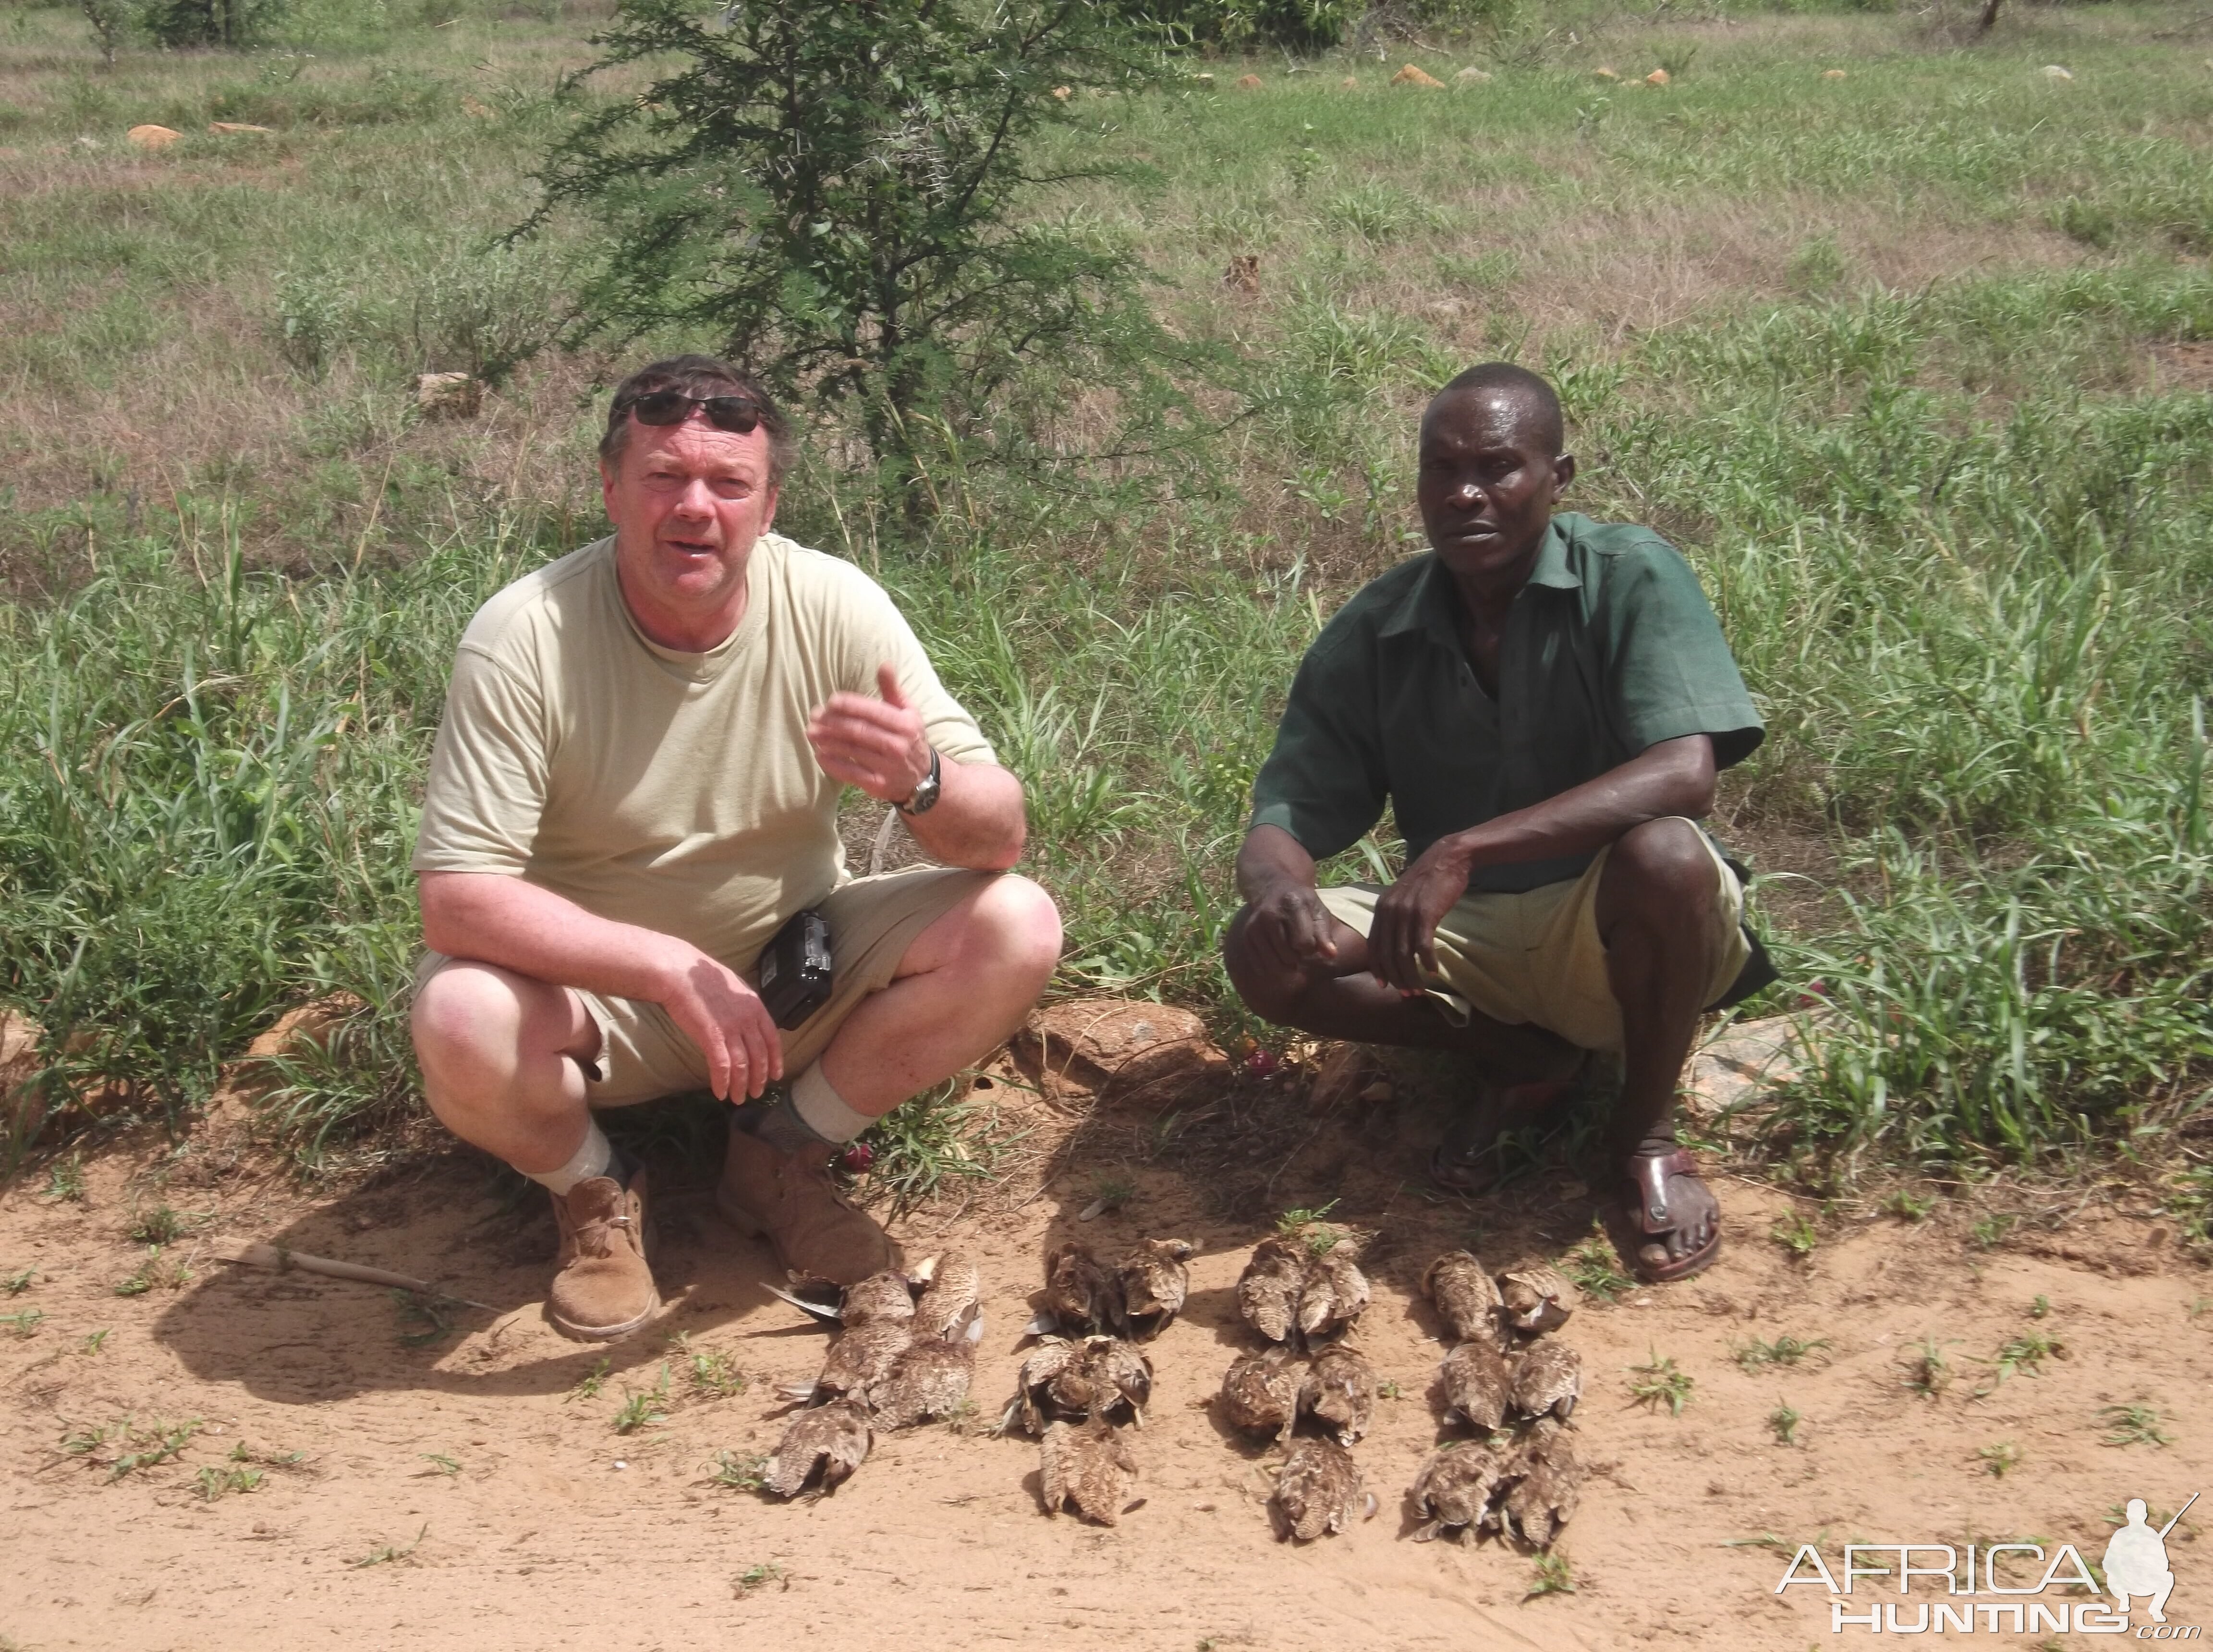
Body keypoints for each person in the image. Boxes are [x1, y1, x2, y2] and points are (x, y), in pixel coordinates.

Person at [408, 355, 1061, 1341]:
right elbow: (457, 899)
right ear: (611, 489)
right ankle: (594, 1189)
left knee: (1017, 923)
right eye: (664, 477)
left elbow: (1000, 834)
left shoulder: (834, 604)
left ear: (769, 504)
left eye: (729, 484)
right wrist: (667, 968)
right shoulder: (524, 635)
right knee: (459, 1014)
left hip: (782, 983)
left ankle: (778, 1157)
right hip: (598, 1008)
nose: (695, 508)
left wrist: (919, 781)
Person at [1222, 362, 1769, 1283]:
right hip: (1466, 939)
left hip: (1608, 923)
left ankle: (1643, 1135)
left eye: (1497, 467)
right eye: (1441, 469)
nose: (1464, 492)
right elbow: (1283, 815)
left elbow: (1686, 772)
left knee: (1669, 856)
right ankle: (1520, 1058)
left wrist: (1462, 849)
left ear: (1558, 479)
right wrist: (1283, 894)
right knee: (1258, 952)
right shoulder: (1379, 625)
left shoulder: (1626, 574)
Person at [2103, 1499, 2176, 1623]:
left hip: (2145, 1582)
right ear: (2128, 1516)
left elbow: (2164, 1564)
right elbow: (2108, 1562)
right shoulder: (2121, 1535)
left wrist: (2147, 1562)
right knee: (2112, 1576)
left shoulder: (2152, 1536)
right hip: (2123, 1582)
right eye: (2133, 1515)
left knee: (2168, 1577)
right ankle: (2124, 1600)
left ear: (2145, 1516)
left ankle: (2156, 1609)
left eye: (2138, 1515)